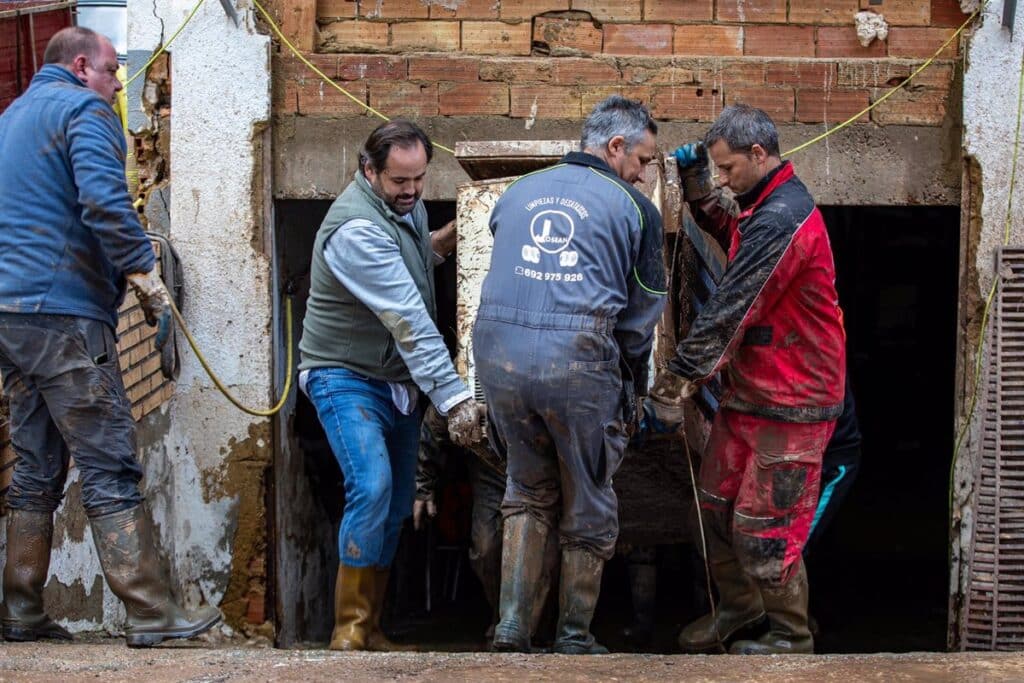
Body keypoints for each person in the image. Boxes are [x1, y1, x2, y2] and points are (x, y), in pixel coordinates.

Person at [0, 27, 220, 647]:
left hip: (11, 315)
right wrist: (143, 273)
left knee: (36, 462)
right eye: (110, 71)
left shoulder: (12, 118)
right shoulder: (83, 110)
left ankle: (19, 607)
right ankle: (151, 611)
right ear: (79, 67)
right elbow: (103, 201)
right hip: (63, 312)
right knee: (107, 461)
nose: (118, 83)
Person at [648, 104, 846, 655]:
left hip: (794, 402)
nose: (725, 180)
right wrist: (695, 187)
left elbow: (732, 307)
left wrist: (674, 383)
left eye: (729, 169)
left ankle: (791, 636)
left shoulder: (786, 218)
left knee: (766, 530)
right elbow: (735, 228)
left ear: (760, 154)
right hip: (751, 394)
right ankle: (739, 607)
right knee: (711, 507)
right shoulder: (765, 205)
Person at [473, 95, 667, 654]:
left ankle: (511, 628)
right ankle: (574, 634)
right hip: (577, 361)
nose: (645, 172)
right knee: (588, 493)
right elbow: (645, 308)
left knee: (526, 487)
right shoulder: (635, 208)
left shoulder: (516, 192)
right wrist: (630, 377)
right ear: (615, 147)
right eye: (643, 160)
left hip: (498, 357)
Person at [298, 118, 483, 652]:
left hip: (394, 382)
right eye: (400, 181)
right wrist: (455, 400)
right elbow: (407, 317)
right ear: (368, 170)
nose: (412, 191)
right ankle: (348, 631)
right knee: (372, 485)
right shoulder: (354, 229)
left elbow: (410, 259)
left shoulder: (404, 207)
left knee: (399, 499)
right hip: (344, 375)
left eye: (420, 179)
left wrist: (453, 235)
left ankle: (372, 625)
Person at [413, 407, 559, 646]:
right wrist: (424, 485)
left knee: (543, 551)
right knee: (485, 547)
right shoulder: (471, 382)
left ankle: (531, 627)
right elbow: (435, 420)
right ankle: (503, 616)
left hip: (537, 462)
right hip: (488, 464)